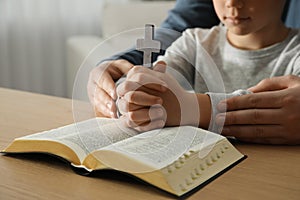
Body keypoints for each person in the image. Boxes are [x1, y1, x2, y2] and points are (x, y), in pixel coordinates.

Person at [88, 0, 300, 144]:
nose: (233, 3)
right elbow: (157, 82)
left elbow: (281, 109)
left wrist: (190, 109)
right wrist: (132, 94)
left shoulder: (295, 53)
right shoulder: (194, 42)